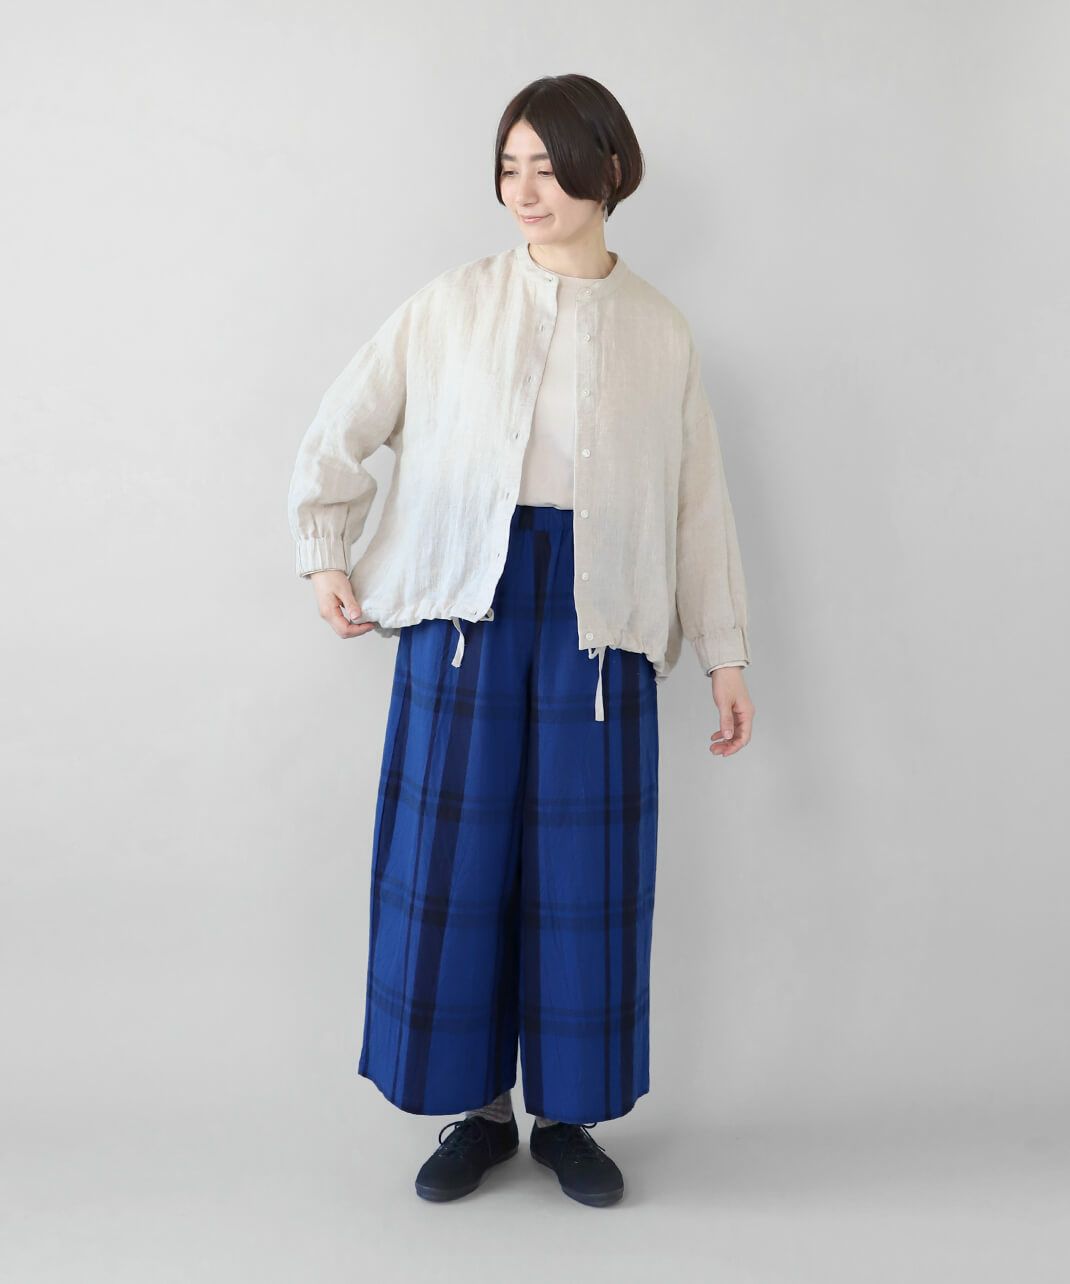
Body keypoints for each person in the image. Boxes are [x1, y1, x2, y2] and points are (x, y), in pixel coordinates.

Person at [287, 73, 755, 1208]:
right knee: (452, 870)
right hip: (466, 615)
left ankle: (570, 1119)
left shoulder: (658, 330)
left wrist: (725, 653)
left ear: (608, 169)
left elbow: (696, 502)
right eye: (509, 167)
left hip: (601, 624)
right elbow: (343, 425)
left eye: (547, 165)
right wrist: (327, 547)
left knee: (585, 875)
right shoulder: (451, 305)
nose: (525, 189)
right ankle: (477, 1113)